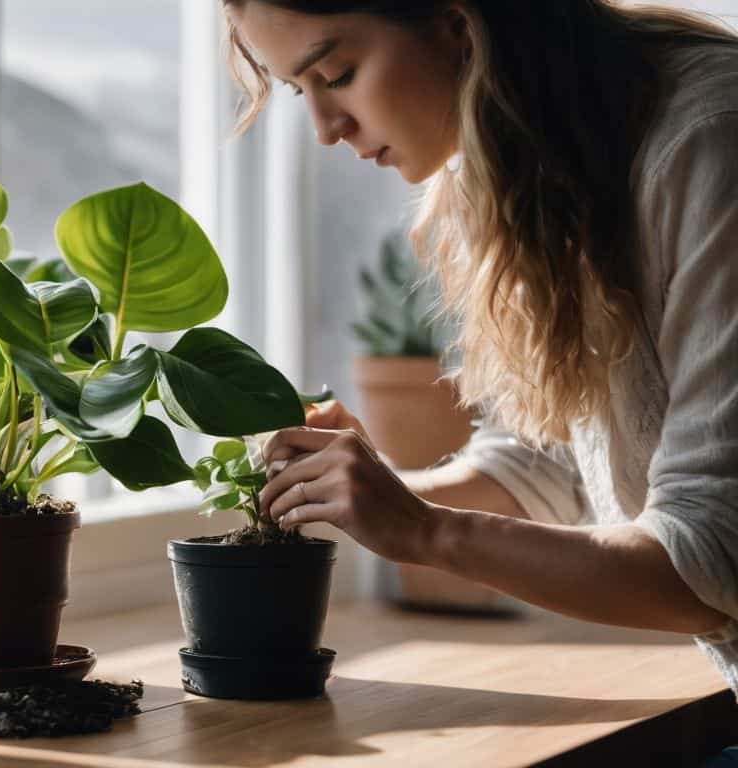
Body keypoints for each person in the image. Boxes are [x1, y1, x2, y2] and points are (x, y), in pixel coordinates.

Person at [223, 0, 738, 698]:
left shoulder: (712, 140)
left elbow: (710, 568)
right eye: (298, 90)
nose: (324, 129)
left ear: (457, 23)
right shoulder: (522, 164)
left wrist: (424, 531)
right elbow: (547, 460)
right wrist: (374, 493)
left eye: (338, 73)